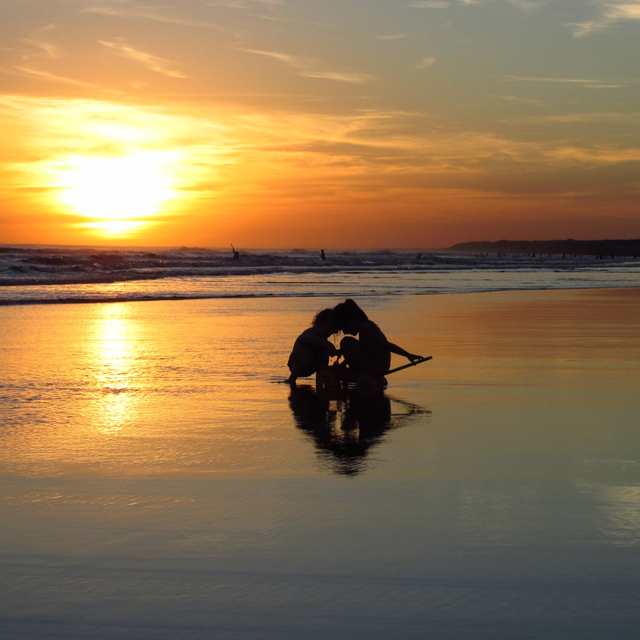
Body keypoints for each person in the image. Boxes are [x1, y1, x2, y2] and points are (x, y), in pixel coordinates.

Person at [332, 299, 422, 375]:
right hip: (376, 365)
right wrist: (344, 363)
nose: (345, 332)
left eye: (344, 328)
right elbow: (363, 351)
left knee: (346, 342)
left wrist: (408, 355)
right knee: (347, 342)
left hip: (377, 367)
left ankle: (356, 373)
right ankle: (354, 371)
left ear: (351, 322)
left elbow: (386, 345)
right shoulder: (365, 328)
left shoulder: (366, 328)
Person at [286, 308, 338, 384]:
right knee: (305, 356)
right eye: (330, 329)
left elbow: (328, 350)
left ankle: (320, 379)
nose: (330, 333)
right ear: (321, 324)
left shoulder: (323, 338)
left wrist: (335, 352)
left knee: (324, 356)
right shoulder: (309, 333)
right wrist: (327, 345)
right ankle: (291, 379)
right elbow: (317, 341)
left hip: (311, 366)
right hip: (296, 364)